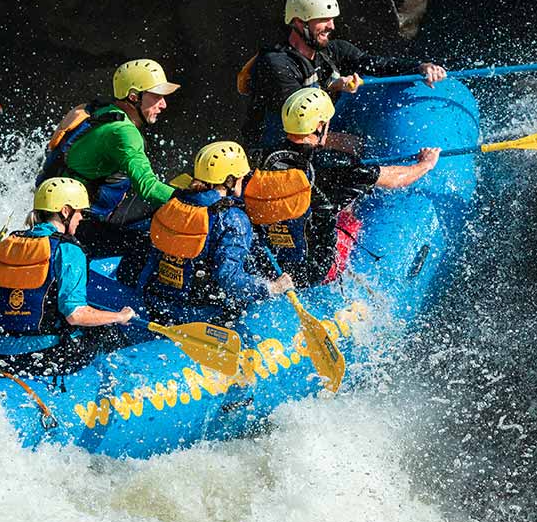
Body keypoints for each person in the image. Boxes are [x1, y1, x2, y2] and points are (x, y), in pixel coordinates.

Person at [250, 87, 441, 285]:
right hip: (315, 270)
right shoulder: (336, 168)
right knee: (348, 209)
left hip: (269, 261)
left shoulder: (263, 156)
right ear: (320, 125)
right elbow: (395, 179)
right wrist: (424, 165)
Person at [238, 0, 448, 153]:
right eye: (322, 20)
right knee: (357, 149)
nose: (331, 26)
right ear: (298, 22)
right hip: (276, 148)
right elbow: (297, 122)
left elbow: (375, 64)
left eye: (331, 19)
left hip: (315, 137)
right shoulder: (275, 64)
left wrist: (420, 67)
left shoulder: (334, 51)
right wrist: (333, 87)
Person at [36, 59, 181, 284]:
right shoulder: (124, 132)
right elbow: (148, 188)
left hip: (51, 216)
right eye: (156, 96)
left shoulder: (98, 110)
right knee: (148, 241)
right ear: (134, 97)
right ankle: (129, 296)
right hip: (76, 226)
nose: (163, 104)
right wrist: (193, 200)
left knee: (149, 215)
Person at [0, 177, 135, 377]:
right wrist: (119, 316)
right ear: (66, 211)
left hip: (2, 351)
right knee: (108, 331)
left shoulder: (11, 242)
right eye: (80, 212)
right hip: (44, 357)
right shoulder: (69, 250)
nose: (81, 218)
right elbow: (75, 315)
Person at [139, 141, 293, 325]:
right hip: (204, 316)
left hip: (158, 305)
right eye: (241, 177)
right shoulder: (233, 218)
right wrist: (270, 288)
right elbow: (228, 278)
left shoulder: (176, 202)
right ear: (230, 180)